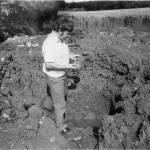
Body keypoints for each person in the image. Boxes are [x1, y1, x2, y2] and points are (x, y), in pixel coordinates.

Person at [42, 20, 81, 135]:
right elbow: (49, 64)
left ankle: (47, 106)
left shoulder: (59, 40)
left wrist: (71, 56)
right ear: (60, 31)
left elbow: (59, 54)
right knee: (60, 103)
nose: (68, 35)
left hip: (60, 74)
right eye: (67, 33)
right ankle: (60, 126)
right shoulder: (49, 43)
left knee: (60, 93)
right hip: (55, 77)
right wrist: (67, 65)